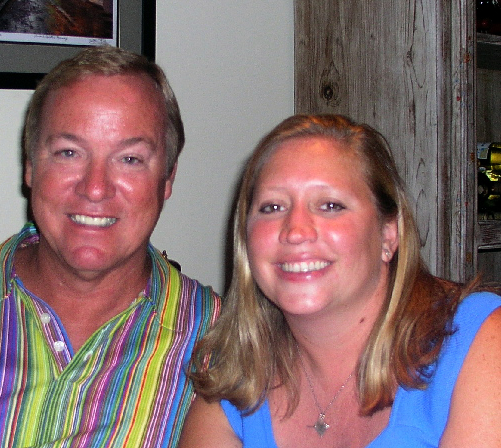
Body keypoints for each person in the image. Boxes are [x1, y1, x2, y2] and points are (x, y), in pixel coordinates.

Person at [0, 46, 220, 447]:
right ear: (30, 165)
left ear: (168, 179)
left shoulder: (222, 340)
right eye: (69, 153)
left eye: (130, 159)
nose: (95, 188)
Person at [178, 114, 501, 448]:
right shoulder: (234, 387)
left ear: (388, 234)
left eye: (330, 205)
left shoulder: (478, 344)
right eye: (272, 207)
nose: (295, 231)